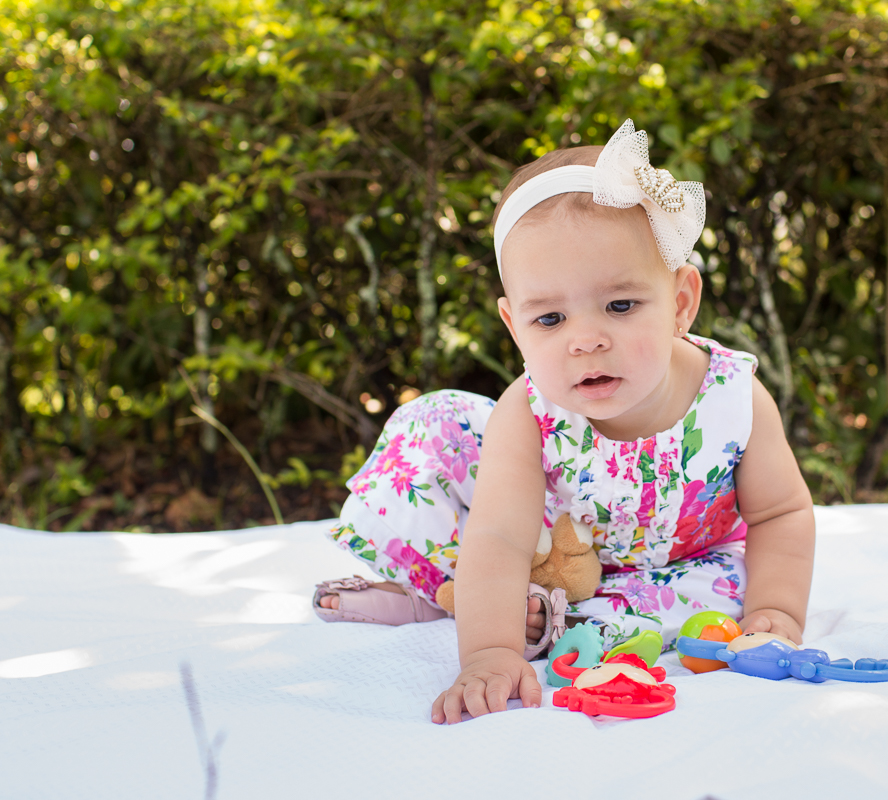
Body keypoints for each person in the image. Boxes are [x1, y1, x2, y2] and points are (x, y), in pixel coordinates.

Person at [312, 120, 816, 724]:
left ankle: (537, 611)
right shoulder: (526, 411)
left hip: (680, 559)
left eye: (620, 306)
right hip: (545, 542)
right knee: (436, 432)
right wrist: (490, 655)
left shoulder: (734, 396)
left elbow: (779, 514)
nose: (586, 341)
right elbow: (499, 537)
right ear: (513, 325)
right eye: (549, 320)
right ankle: (458, 598)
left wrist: (777, 612)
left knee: (721, 598)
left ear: (681, 302)